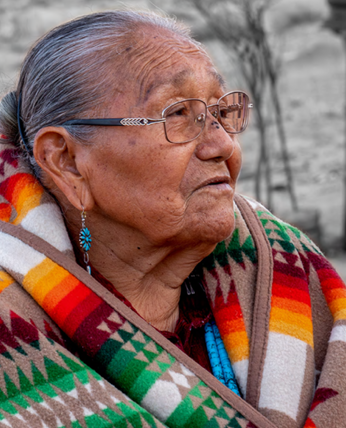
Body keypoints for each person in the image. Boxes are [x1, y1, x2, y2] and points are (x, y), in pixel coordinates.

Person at [0, 10, 344, 428]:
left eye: (221, 112)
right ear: (67, 162)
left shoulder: (282, 260)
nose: (222, 146)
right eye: (178, 114)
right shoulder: (13, 336)